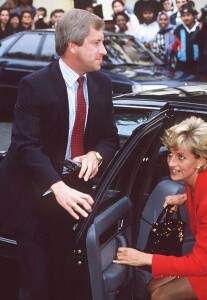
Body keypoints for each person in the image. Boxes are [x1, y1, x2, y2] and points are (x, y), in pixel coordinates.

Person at [0, 8, 119, 300]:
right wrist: (56, 187)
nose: (104, 50)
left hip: (74, 196)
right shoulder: (35, 85)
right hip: (34, 195)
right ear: (73, 46)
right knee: (37, 284)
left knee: (67, 279)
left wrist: (96, 156)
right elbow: (26, 146)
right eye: (97, 43)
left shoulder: (102, 84)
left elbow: (109, 137)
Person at [113, 116, 207, 300]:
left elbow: (200, 264)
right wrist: (184, 197)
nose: (171, 163)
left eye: (181, 157)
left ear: (200, 159)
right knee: (152, 286)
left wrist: (145, 258)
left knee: (161, 295)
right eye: (170, 154)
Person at [171, 3, 199, 75]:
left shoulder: (199, 28)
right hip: (181, 67)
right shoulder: (178, 30)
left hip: (198, 66)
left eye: (188, 15)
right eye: (183, 16)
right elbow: (173, 49)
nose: (186, 18)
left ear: (193, 16)